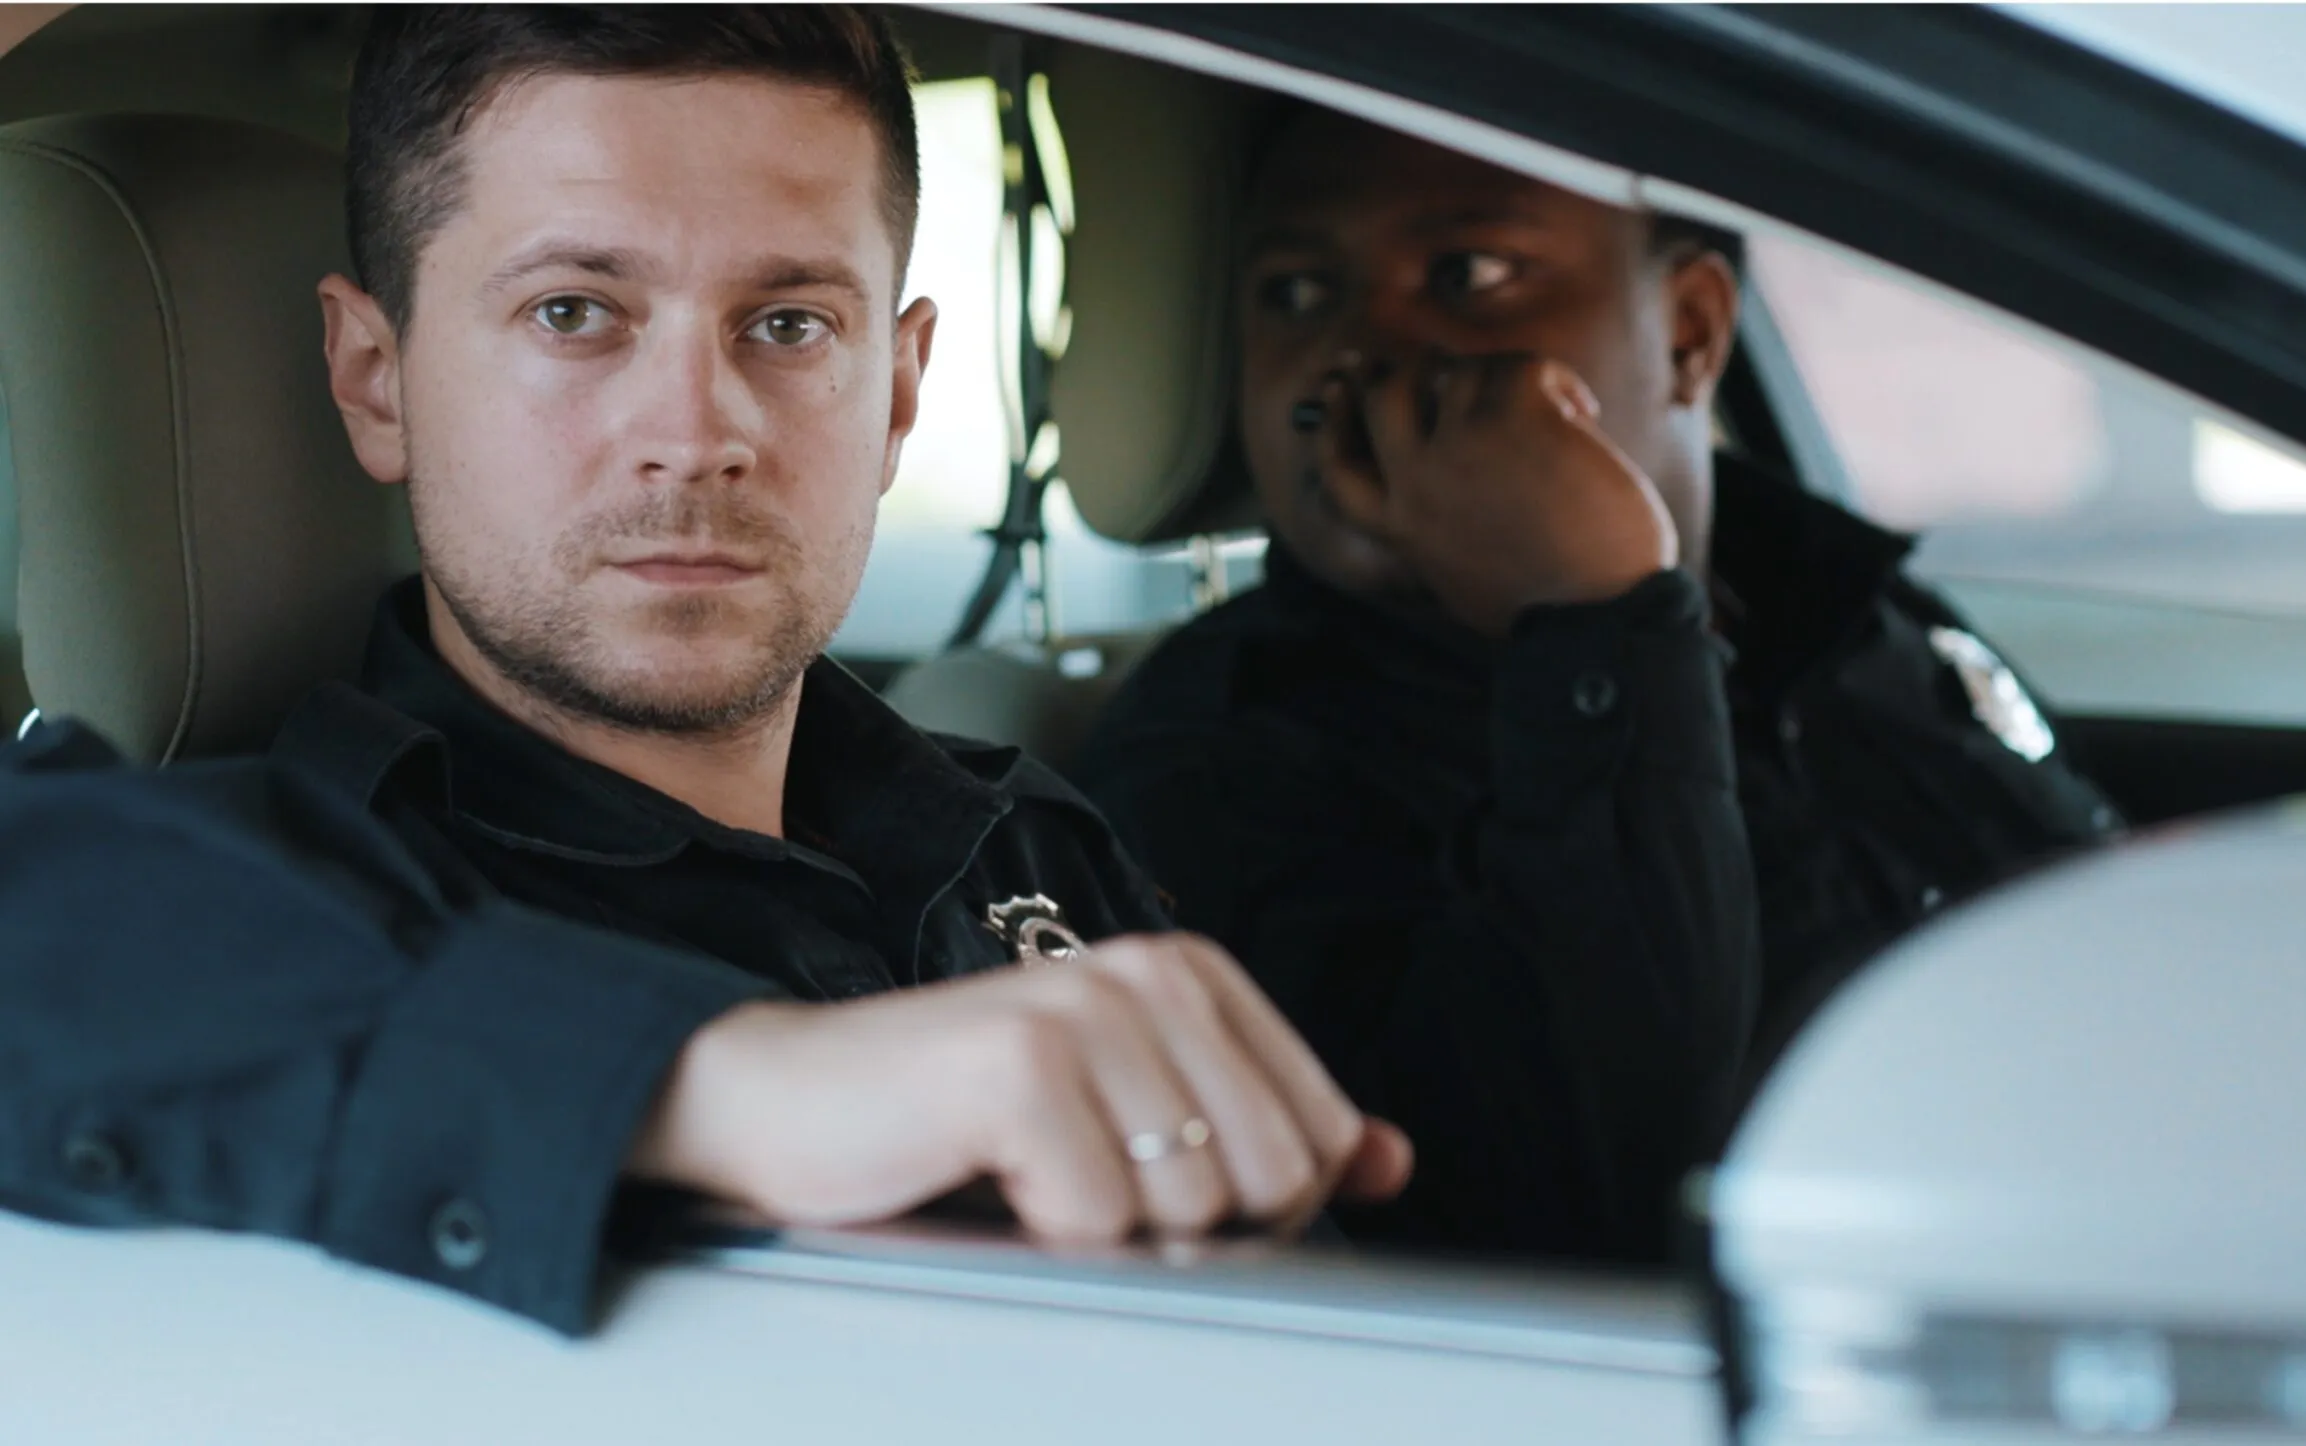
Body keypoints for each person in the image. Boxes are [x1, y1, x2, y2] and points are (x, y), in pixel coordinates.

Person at [3, 7, 1410, 1337]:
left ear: (902, 389)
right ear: (377, 377)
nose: (696, 430)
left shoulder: (1022, 838)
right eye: (574, 313)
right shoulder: (267, 904)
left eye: (788, 324)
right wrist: (703, 1078)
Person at [1073, 106, 2122, 1266]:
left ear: (1688, 333)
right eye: (1294, 295)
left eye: (1469, 273)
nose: (1356, 353)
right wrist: (1591, 624)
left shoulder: (1849, 611)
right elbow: (1568, 1217)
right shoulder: (1212, 769)